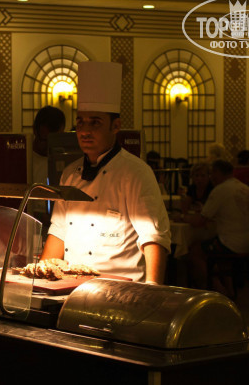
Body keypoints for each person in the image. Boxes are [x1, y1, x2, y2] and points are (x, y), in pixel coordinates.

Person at [40, 61, 171, 283]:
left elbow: (154, 238)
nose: (85, 131)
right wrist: (40, 278)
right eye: (80, 122)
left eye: (95, 123)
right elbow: (59, 231)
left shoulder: (136, 173)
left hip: (122, 289)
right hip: (73, 288)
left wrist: (152, 289)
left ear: (115, 126)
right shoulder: (70, 174)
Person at [187, 159, 249, 296]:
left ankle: (219, 290)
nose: (211, 177)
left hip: (229, 243)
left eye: (212, 173)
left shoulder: (220, 190)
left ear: (217, 172)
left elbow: (200, 221)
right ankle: (229, 290)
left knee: (195, 251)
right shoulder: (245, 188)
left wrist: (182, 218)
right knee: (218, 252)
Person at [30, 106, 66, 221]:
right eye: (45, 140)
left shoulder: (64, 158)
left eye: (55, 139)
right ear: (35, 130)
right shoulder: (25, 158)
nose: (50, 145)